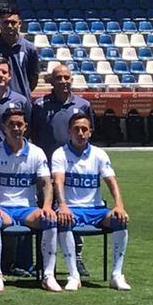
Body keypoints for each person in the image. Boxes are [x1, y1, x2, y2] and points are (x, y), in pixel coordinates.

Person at [0, 108, 56, 292]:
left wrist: (46, 206)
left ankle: (48, 275)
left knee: (50, 219)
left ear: (26, 127)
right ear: (4, 127)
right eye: (11, 124)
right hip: (2, 209)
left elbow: (46, 183)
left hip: (27, 209)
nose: (15, 128)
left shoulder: (36, 152)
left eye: (19, 124)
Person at [52, 113, 130, 291]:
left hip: (96, 209)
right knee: (64, 219)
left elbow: (111, 181)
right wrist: (62, 205)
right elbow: (58, 181)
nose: (80, 133)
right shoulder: (60, 154)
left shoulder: (99, 154)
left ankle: (117, 275)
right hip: (71, 208)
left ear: (90, 132)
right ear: (69, 132)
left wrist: (119, 206)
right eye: (76, 129)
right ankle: (73, 275)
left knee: (120, 220)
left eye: (84, 129)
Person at [31, 64, 95, 277]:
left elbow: (88, 133)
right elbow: (33, 134)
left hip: (73, 169)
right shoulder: (40, 105)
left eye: (67, 77)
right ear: (51, 81)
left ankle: (76, 258)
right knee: (45, 212)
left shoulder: (83, 105)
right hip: (45, 170)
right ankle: (44, 261)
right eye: (58, 78)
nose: (63, 81)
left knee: (72, 211)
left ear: (72, 79)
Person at [0, 7, 40, 102]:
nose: (9, 26)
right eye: (5, 22)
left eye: (13, 22)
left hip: (22, 102)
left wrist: (22, 92)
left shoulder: (30, 49)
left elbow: (33, 79)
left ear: (20, 24)